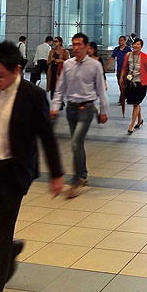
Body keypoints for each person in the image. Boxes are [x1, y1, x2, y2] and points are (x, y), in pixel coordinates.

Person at [0, 41, 64, 292]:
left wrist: (56, 174)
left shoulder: (33, 95)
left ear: (16, 70)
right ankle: (9, 249)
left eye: (0, 75)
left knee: (0, 234)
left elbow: (46, 136)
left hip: (12, 175)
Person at [51, 33, 109, 198]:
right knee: (78, 143)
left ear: (86, 46)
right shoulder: (68, 64)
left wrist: (103, 110)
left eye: (79, 44)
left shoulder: (94, 65)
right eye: (73, 44)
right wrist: (55, 106)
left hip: (87, 108)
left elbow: (100, 90)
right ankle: (82, 174)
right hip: (71, 108)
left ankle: (77, 180)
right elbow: (60, 87)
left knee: (75, 143)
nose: (75, 47)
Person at [120, 38, 147, 134]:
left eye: (138, 44)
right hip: (130, 82)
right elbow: (124, 68)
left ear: (141, 46)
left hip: (141, 83)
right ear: (132, 45)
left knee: (136, 103)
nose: (136, 46)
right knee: (136, 103)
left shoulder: (145, 57)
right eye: (135, 44)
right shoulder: (128, 55)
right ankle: (140, 120)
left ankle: (132, 124)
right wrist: (121, 78)